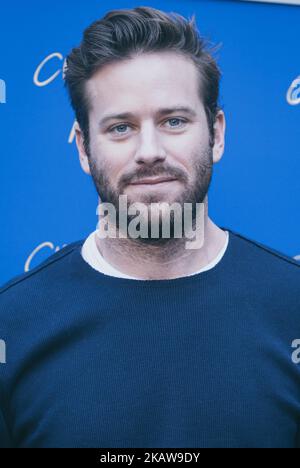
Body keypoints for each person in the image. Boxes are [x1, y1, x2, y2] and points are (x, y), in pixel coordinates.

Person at [0, 6, 299, 448]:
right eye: (121, 127)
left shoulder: (292, 305)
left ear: (216, 134)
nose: (149, 151)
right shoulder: (13, 324)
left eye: (173, 121)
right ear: (84, 148)